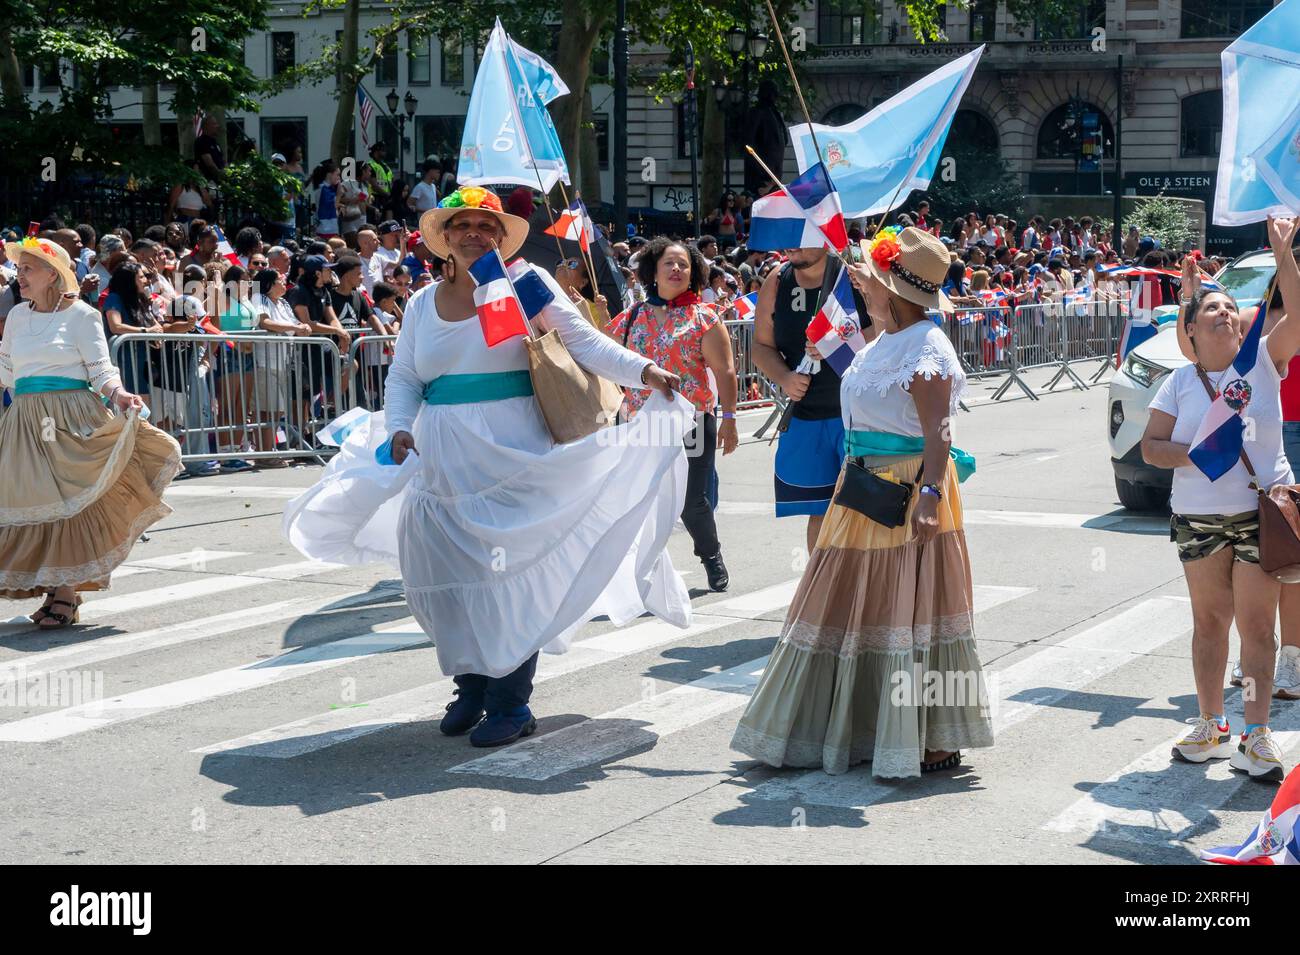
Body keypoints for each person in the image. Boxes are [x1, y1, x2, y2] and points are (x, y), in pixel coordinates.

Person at [282, 185, 693, 748]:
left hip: (516, 457)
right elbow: (405, 377)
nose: (475, 234)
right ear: (444, 238)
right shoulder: (424, 302)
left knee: (510, 578)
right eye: (463, 226)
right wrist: (400, 425)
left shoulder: (527, 284)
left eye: (487, 227)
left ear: (501, 237)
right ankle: (471, 685)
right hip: (443, 465)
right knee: (446, 580)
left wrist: (646, 371)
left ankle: (510, 701)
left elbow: (586, 344)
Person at [733, 226, 991, 778]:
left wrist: (927, 494)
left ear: (894, 292)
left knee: (910, 609)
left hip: (904, 489)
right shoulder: (883, 339)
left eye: (871, 280)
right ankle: (855, 724)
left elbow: (939, 431)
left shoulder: (928, 347)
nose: (861, 284)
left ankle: (929, 735)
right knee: (857, 606)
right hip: (859, 487)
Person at [1140, 217, 1300, 783]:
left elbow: (1297, 318)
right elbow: (1152, 449)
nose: (1226, 313)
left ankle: (1256, 733)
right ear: (1191, 329)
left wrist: (1283, 252)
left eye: (1231, 307)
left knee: (1257, 629)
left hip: (1260, 513)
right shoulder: (1179, 383)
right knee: (1210, 624)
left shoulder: (1262, 361)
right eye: (1213, 308)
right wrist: (1201, 451)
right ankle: (1211, 723)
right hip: (1199, 516)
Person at [0, 237, 181, 626]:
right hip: (26, 420)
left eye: (28, 269)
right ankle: (55, 585)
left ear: (52, 274)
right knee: (40, 501)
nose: (20, 276)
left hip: (70, 416)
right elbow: (6, 370)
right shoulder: (17, 316)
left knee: (70, 500)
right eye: (19, 269)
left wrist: (119, 394)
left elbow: (100, 368)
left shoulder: (82, 315)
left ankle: (65, 590)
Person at [606, 236, 739, 591]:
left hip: (693, 422)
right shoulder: (633, 315)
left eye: (684, 264)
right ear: (654, 270)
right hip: (643, 423)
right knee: (639, 499)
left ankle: (711, 555)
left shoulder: (704, 316)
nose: (677, 269)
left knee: (692, 502)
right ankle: (638, 572)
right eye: (669, 263)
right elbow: (601, 352)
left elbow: (725, 371)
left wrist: (730, 420)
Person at [751, 244, 870, 553]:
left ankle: (865, 591)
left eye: (801, 234)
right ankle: (821, 590)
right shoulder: (777, 280)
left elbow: (887, 335)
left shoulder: (855, 275)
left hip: (859, 416)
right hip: (806, 417)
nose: (791, 243)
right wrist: (785, 378)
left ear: (824, 235)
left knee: (866, 511)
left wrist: (837, 341)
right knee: (819, 512)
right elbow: (761, 347)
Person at [194, 114, 226, 181]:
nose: (217, 126)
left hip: (220, 182)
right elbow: (210, 164)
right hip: (209, 182)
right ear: (206, 126)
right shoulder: (202, 142)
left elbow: (222, 160)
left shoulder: (214, 142)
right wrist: (222, 176)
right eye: (214, 124)